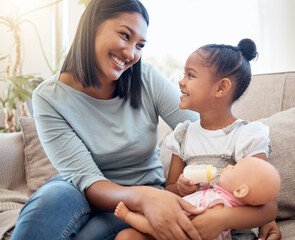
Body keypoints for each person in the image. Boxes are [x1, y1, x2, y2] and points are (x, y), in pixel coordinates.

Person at [10, 0, 280, 238]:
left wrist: (260, 209)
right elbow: (85, 179)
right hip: (82, 191)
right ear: (92, 26)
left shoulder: (146, 78)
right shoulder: (49, 97)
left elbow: (206, 129)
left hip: (137, 200)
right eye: (124, 36)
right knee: (50, 198)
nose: (131, 53)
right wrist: (147, 197)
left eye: (139, 45)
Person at [115, 39, 282, 240]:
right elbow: (171, 190)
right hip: (187, 229)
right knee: (127, 236)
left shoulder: (245, 136)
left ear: (221, 88)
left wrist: (221, 219)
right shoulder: (183, 136)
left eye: (191, 75)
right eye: (184, 74)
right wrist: (181, 188)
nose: (181, 81)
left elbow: (266, 203)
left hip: (231, 233)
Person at [115, 157, 281, 240]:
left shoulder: (221, 205)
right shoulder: (216, 193)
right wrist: (189, 182)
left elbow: (199, 224)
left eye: (234, 167)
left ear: (240, 190)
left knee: (152, 229)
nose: (229, 166)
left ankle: (129, 216)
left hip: (179, 232)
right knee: (126, 236)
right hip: (174, 221)